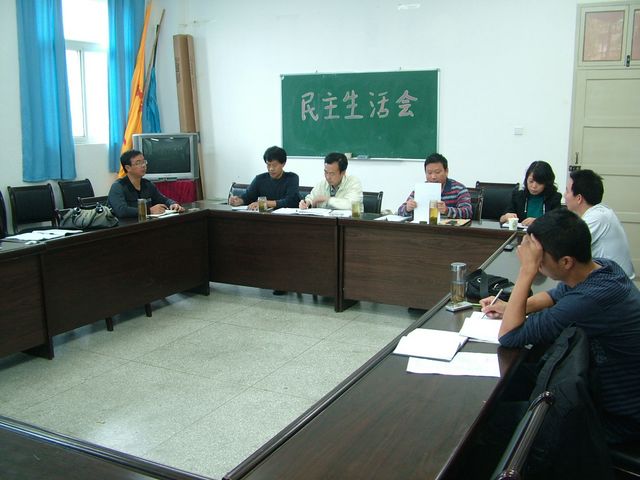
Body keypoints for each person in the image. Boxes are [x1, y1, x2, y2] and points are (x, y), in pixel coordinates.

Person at [481, 209, 640, 443]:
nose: (535, 263)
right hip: (595, 385)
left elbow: (509, 336)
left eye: (538, 258)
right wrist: (511, 307)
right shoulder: (604, 268)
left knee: (490, 420)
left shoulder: (588, 301)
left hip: (618, 418)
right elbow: (554, 295)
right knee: (511, 385)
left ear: (566, 262)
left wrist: (526, 271)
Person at [565, 169, 635, 279]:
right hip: (613, 280)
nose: (564, 195)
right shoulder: (600, 212)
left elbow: (564, 245)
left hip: (615, 284)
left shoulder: (597, 217)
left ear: (579, 198)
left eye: (567, 191)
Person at [108, 150, 184, 218]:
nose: (143, 165)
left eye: (144, 162)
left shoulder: (148, 184)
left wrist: (173, 204)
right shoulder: (118, 186)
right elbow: (121, 211)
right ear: (128, 168)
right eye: (138, 163)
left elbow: (163, 199)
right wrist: (148, 211)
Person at [397, 153, 472, 219]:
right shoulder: (421, 189)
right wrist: (407, 208)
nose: (433, 177)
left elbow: (468, 212)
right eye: (429, 173)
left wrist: (447, 210)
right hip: (425, 227)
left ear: (446, 171)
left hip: (449, 229)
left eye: (437, 172)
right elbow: (400, 211)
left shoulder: (459, 189)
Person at [228, 146, 300, 210]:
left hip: (286, 218)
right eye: (268, 165)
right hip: (264, 218)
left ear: (283, 164)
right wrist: (238, 201)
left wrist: (264, 203)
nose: (271, 169)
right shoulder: (260, 179)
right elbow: (248, 197)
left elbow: (290, 201)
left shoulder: (292, 178)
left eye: (274, 165)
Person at [500, 160, 561, 226]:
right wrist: (506, 217)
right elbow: (501, 219)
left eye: (539, 183)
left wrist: (538, 221)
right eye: (531, 181)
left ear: (547, 183)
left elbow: (557, 222)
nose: (534, 186)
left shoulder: (554, 198)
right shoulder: (518, 195)